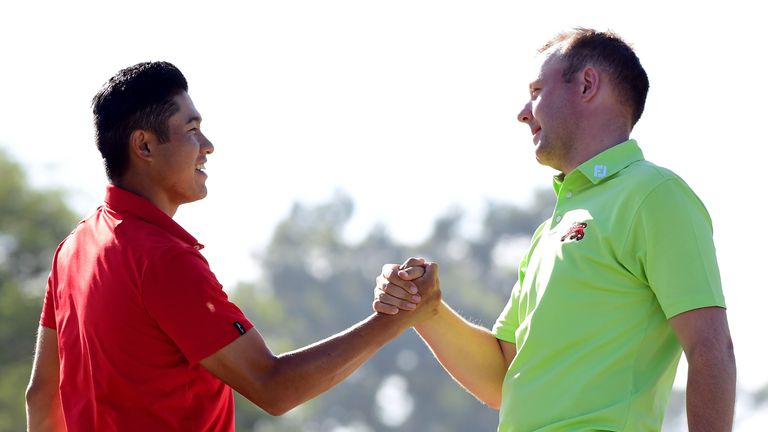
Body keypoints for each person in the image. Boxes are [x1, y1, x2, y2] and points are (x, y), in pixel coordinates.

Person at [24, 61, 441, 431]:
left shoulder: (73, 248)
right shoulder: (163, 260)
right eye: (191, 131)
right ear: (145, 146)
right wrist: (394, 320)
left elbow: (41, 400)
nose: (207, 146)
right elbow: (272, 387)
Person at [374, 28, 736, 431]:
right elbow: (501, 378)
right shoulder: (551, 229)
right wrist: (426, 310)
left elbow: (710, 348)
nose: (523, 112)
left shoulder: (656, 194)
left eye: (536, 90)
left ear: (586, 85)